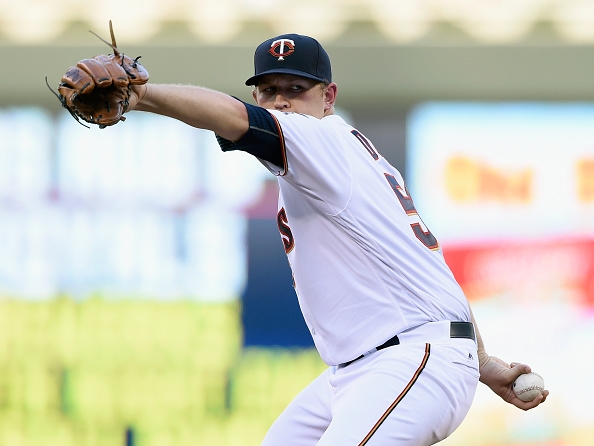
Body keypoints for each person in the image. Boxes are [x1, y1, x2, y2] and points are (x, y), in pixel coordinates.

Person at [125, 34, 548, 445]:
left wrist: (142, 96)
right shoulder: (350, 162)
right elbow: (435, 276)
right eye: (269, 90)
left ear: (328, 97)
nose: (281, 101)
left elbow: (233, 118)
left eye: (296, 88)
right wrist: (484, 362)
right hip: (365, 369)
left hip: (408, 362)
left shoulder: (321, 139)